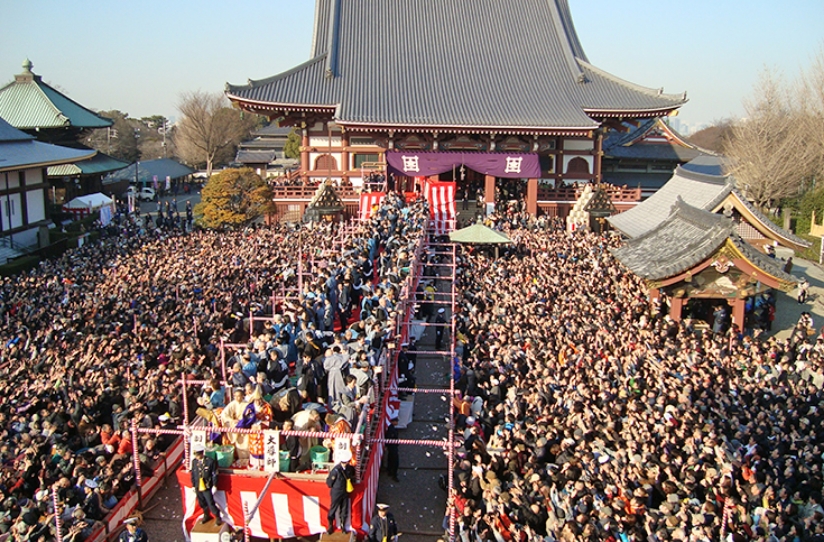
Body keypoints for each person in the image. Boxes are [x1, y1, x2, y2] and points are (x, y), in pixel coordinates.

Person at [190, 444, 222, 525]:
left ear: (201, 453)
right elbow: (193, 474)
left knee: (210, 502)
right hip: (198, 485)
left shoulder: (210, 461)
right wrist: (193, 485)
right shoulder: (194, 462)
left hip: (206, 485)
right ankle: (206, 515)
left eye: (198, 455)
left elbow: (214, 474)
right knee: (202, 502)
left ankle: (217, 516)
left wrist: (214, 485)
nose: (196, 457)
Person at [326, 448, 353, 534]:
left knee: (344, 509)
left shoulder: (349, 469)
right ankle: (330, 525)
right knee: (333, 509)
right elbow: (329, 482)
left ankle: (343, 526)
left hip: (344, 492)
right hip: (336, 492)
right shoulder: (336, 470)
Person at [385, 415, 400, 483]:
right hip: (393, 447)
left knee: (390, 459)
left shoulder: (391, 428)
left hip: (391, 447)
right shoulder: (391, 429)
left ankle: (389, 471)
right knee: (395, 461)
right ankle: (394, 474)